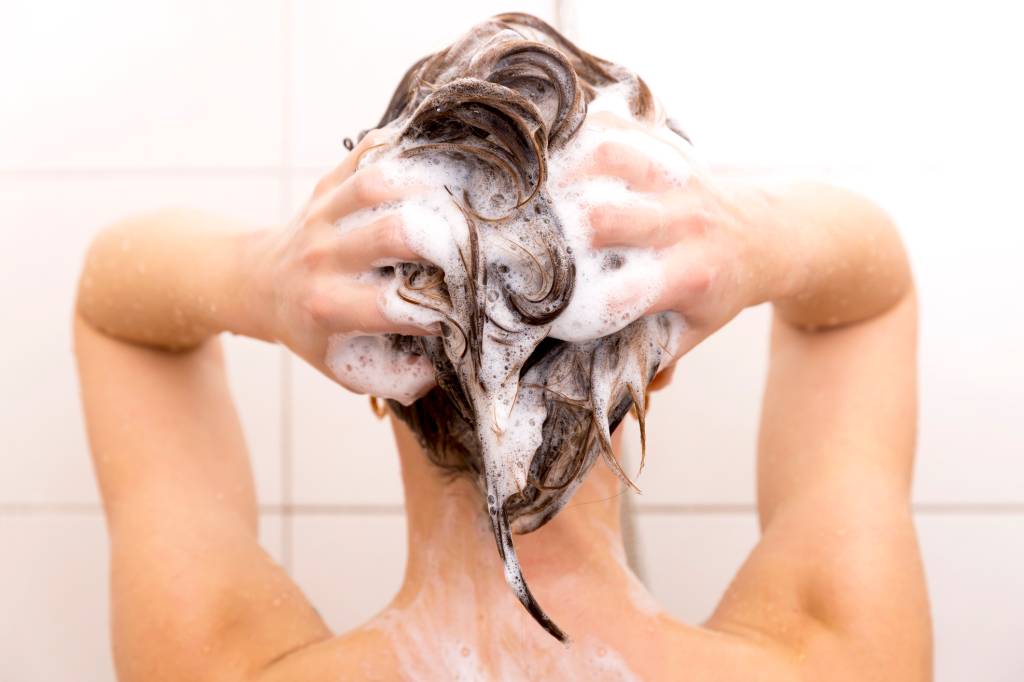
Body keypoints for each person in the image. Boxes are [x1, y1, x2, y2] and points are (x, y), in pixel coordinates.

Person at [74, 17, 931, 682]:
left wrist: (263, 278)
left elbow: (117, 312)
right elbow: (869, 298)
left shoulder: (214, 663)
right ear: (659, 364)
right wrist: (756, 240)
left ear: (369, 370)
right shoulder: (836, 657)